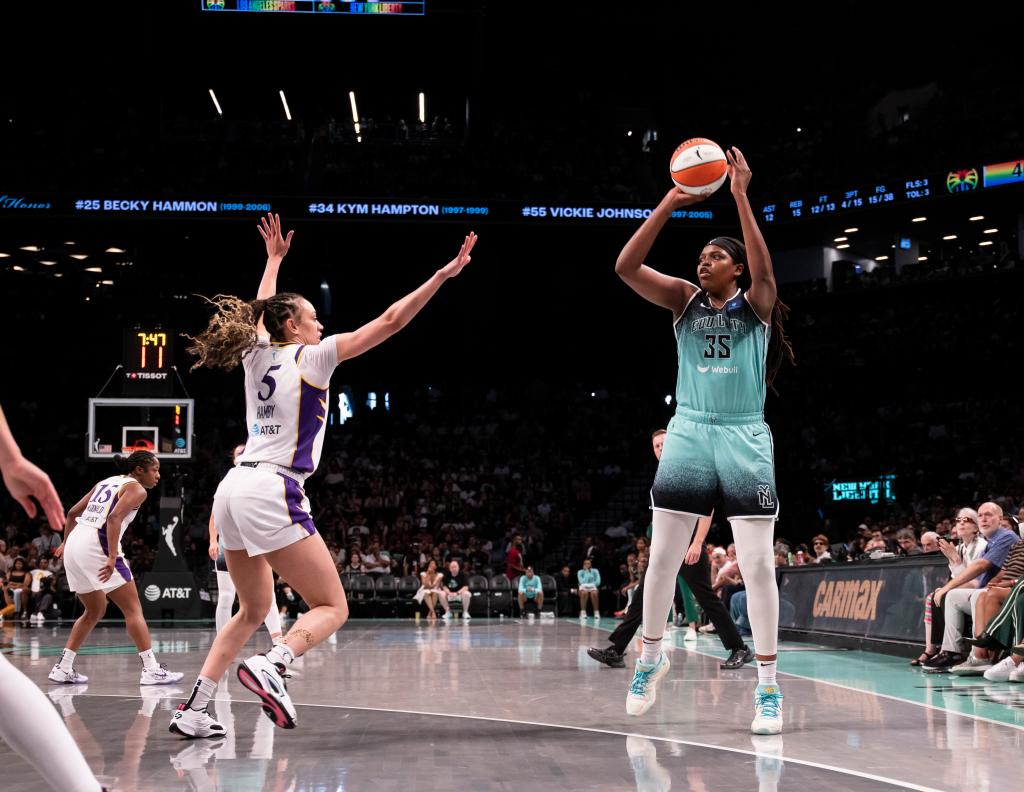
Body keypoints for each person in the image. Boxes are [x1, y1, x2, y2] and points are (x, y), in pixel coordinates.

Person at [171, 214, 476, 737]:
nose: (318, 324)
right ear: (293, 327)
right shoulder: (314, 358)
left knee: (252, 610)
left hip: (233, 487)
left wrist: (272, 263)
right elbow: (389, 321)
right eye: (311, 318)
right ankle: (275, 663)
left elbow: (261, 314)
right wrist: (441, 277)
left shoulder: (255, 354)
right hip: (273, 486)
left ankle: (195, 708)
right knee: (333, 606)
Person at [614, 147, 793, 734]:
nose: (704, 263)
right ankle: (650, 656)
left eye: (715, 257)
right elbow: (625, 266)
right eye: (701, 257)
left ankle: (768, 688)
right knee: (661, 557)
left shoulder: (757, 305)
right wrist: (671, 199)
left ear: (736, 270)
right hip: (689, 430)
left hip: (743, 434)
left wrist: (739, 194)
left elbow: (767, 272)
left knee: (759, 565)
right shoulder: (683, 302)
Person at [0, 402, 107, 792]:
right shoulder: (131, 490)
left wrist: (10, 457)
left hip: (77, 548)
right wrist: (9, 456)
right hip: (94, 552)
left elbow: (76, 512)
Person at [588, 429, 754, 671]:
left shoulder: (689, 470)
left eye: (665, 444)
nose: (661, 449)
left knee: (706, 598)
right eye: (656, 446)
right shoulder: (660, 476)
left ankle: (740, 648)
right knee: (643, 596)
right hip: (664, 549)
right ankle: (616, 650)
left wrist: (697, 543)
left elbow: (707, 510)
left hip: (688, 547)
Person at [49, 450, 184, 687]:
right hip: (96, 545)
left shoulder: (106, 481)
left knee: (95, 610)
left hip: (75, 544)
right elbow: (113, 519)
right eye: (155, 470)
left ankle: (63, 667)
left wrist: (65, 542)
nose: (158, 476)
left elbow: (71, 513)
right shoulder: (137, 489)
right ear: (139, 470)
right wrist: (112, 557)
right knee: (133, 609)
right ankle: (151, 670)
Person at [209, 444, 283, 644]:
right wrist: (212, 540)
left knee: (269, 596)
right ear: (234, 460)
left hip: (256, 544)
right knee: (226, 596)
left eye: (245, 451)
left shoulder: (263, 479)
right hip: (228, 546)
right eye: (238, 453)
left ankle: (278, 642)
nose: (243, 454)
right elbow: (215, 514)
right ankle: (222, 641)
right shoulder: (228, 480)